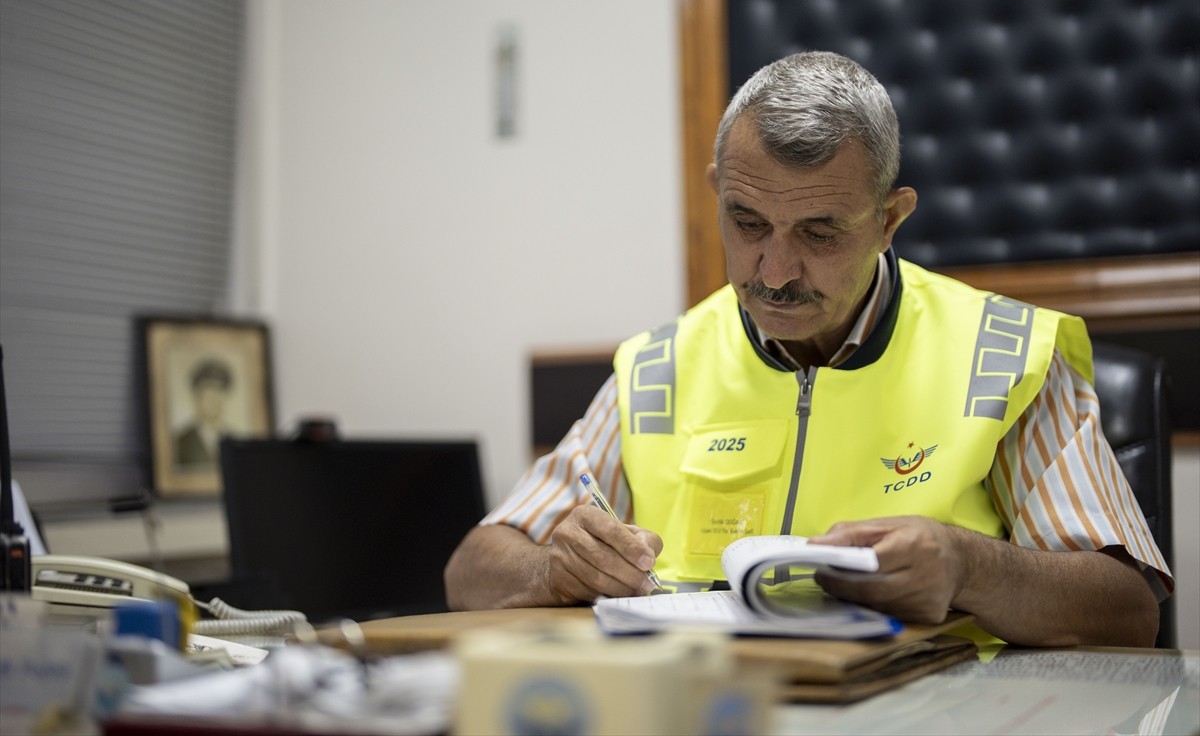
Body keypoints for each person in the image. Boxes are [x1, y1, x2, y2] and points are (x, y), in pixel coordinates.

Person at [444, 51, 1172, 647]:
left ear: (890, 219)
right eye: (747, 222)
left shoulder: (1003, 354)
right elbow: (473, 570)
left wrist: (970, 567)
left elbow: (1130, 611)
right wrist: (554, 571)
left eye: (820, 233)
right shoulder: (659, 368)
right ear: (717, 192)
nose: (774, 272)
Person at [173, 357, 234, 472]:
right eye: (209, 395)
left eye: (218, 394)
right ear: (197, 399)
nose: (214, 402)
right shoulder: (181, 443)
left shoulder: (234, 440)